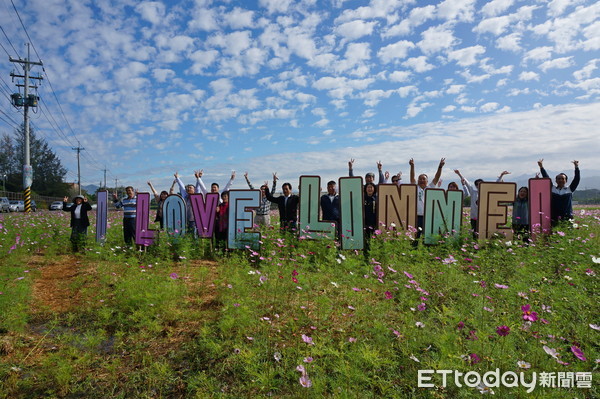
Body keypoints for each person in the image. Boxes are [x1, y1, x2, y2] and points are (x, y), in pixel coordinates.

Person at [454, 169, 510, 239]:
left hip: (485, 217)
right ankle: (475, 245)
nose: (479, 185)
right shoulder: (473, 192)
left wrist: (501, 176)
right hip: (474, 217)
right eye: (477, 184)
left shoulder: (487, 192)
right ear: (476, 185)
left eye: (481, 184)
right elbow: (467, 183)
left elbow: (495, 185)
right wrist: (459, 174)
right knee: (475, 233)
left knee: (484, 233)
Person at [410, 158, 445, 237]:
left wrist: (440, 167)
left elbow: (437, 177)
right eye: (420, 179)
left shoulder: (430, 187)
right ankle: (414, 248)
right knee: (416, 236)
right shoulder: (415, 187)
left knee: (428, 236)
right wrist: (412, 166)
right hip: (417, 216)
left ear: (427, 181)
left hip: (428, 216)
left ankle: (427, 248)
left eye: (424, 179)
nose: (421, 180)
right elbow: (412, 178)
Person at [538, 159, 580, 225]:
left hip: (567, 217)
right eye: (559, 179)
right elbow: (546, 177)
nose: (560, 180)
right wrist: (541, 167)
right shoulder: (552, 188)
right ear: (556, 180)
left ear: (566, 181)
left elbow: (576, 179)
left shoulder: (570, 189)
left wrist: (576, 167)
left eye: (563, 179)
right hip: (554, 217)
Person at [363, 182, 377, 250]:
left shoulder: (377, 198)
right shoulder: (362, 198)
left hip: (374, 224)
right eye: (368, 187)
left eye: (371, 187)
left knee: (374, 242)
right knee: (365, 241)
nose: (370, 189)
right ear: (365, 189)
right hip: (365, 224)